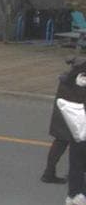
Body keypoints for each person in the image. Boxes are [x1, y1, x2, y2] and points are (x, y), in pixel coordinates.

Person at [46, 56, 86, 204]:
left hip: (68, 117)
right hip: (75, 119)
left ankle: (51, 173)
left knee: (65, 146)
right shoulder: (78, 80)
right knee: (74, 151)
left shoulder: (68, 78)